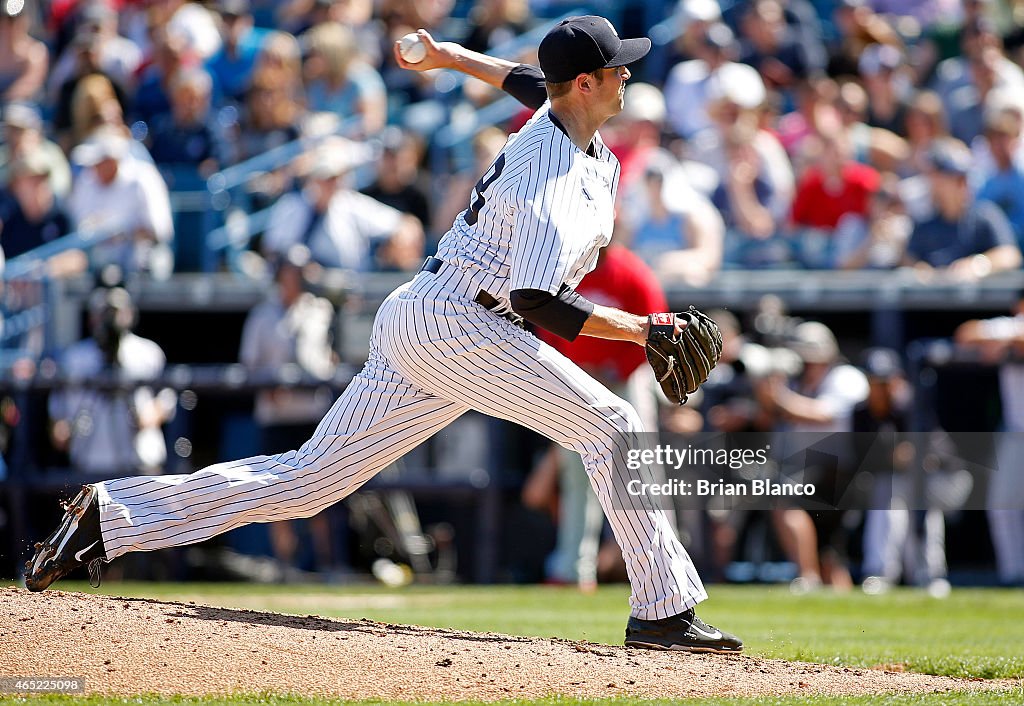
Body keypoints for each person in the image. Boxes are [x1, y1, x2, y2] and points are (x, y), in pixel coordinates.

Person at [26, 16, 742, 655]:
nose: (628, 75)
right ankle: (663, 610)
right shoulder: (551, 173)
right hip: (463, 321)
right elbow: (536, 299)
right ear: (584, 84)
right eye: (618, 68)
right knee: (612, 424)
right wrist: (644, 329)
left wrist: (451, 55)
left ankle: (110, 517)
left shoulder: (563, 120)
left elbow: (527, 81)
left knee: (308, 480)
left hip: (429, 318)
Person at [48, 287, 174, 477]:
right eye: (104, 312)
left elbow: (166, 399)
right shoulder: (74, 358)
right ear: (92, 317)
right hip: (89, 464)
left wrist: (148, 415)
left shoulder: (148, 352)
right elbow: (57, 417)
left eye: (116, 312)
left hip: (140, 463)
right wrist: (63, 430)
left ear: (130, 314)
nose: (110, 320)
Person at [954, 295, 1024, 586]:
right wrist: (1004, 336)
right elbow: (965, 333)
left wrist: (1009, 340)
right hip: (1016, 431)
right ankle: (1013, 574)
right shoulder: (1009, 325)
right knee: (1002, 504)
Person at [904, 138, 1022, 279]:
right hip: (935, 300)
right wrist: (921, 271)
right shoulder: (924, 224)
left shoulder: (985, 215)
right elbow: (908, 259)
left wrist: (977, 265)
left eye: (960, 179)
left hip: (980, 300)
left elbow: (1010, 255)